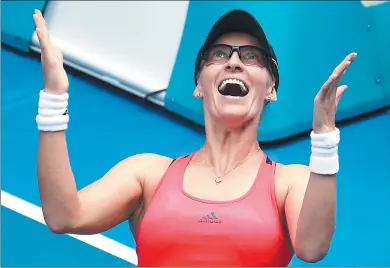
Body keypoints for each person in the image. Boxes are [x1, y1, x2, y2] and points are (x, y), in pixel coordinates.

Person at [33, 7, 357, 267]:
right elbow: (65, 216)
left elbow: (313, 247)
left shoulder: (291, 183)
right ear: (199, 86)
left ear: (271, 89)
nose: (233, 62)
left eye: (251, 56)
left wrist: (325, 136)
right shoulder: (148, 175)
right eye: (218, 55)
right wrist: (53, 98)